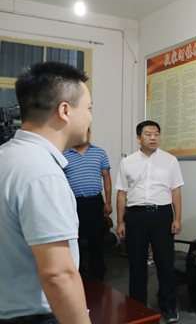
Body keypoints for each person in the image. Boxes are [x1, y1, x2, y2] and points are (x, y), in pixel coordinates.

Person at [0, 62, 92, 324]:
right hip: (32, 315)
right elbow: (58, 275)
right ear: (65, 110)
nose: (90, 117)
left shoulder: (7, 156)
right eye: (88, 108)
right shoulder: (42, 173)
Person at [115, 120, 183, 324]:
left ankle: (169, 306)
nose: (153, 138)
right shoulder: (127, 162)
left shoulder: (170, 160)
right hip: (136, 216)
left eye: (156, 134)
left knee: (165, 264)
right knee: (137, 265)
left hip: (162, 215)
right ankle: (138, 307)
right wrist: (120, 221)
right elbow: (121, 194)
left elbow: (176, 191)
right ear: (138, 138)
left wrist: (177, 218)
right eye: (148, 134)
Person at [63, 128, 112, 280]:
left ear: (89, 134)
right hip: (73, 204)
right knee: (73, 240)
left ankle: (97, 273)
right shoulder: (63, 155)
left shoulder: (100, 153)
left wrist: (108, 202)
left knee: (96, 239)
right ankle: (75, 274)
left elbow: (107, 179)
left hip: (95, 203)